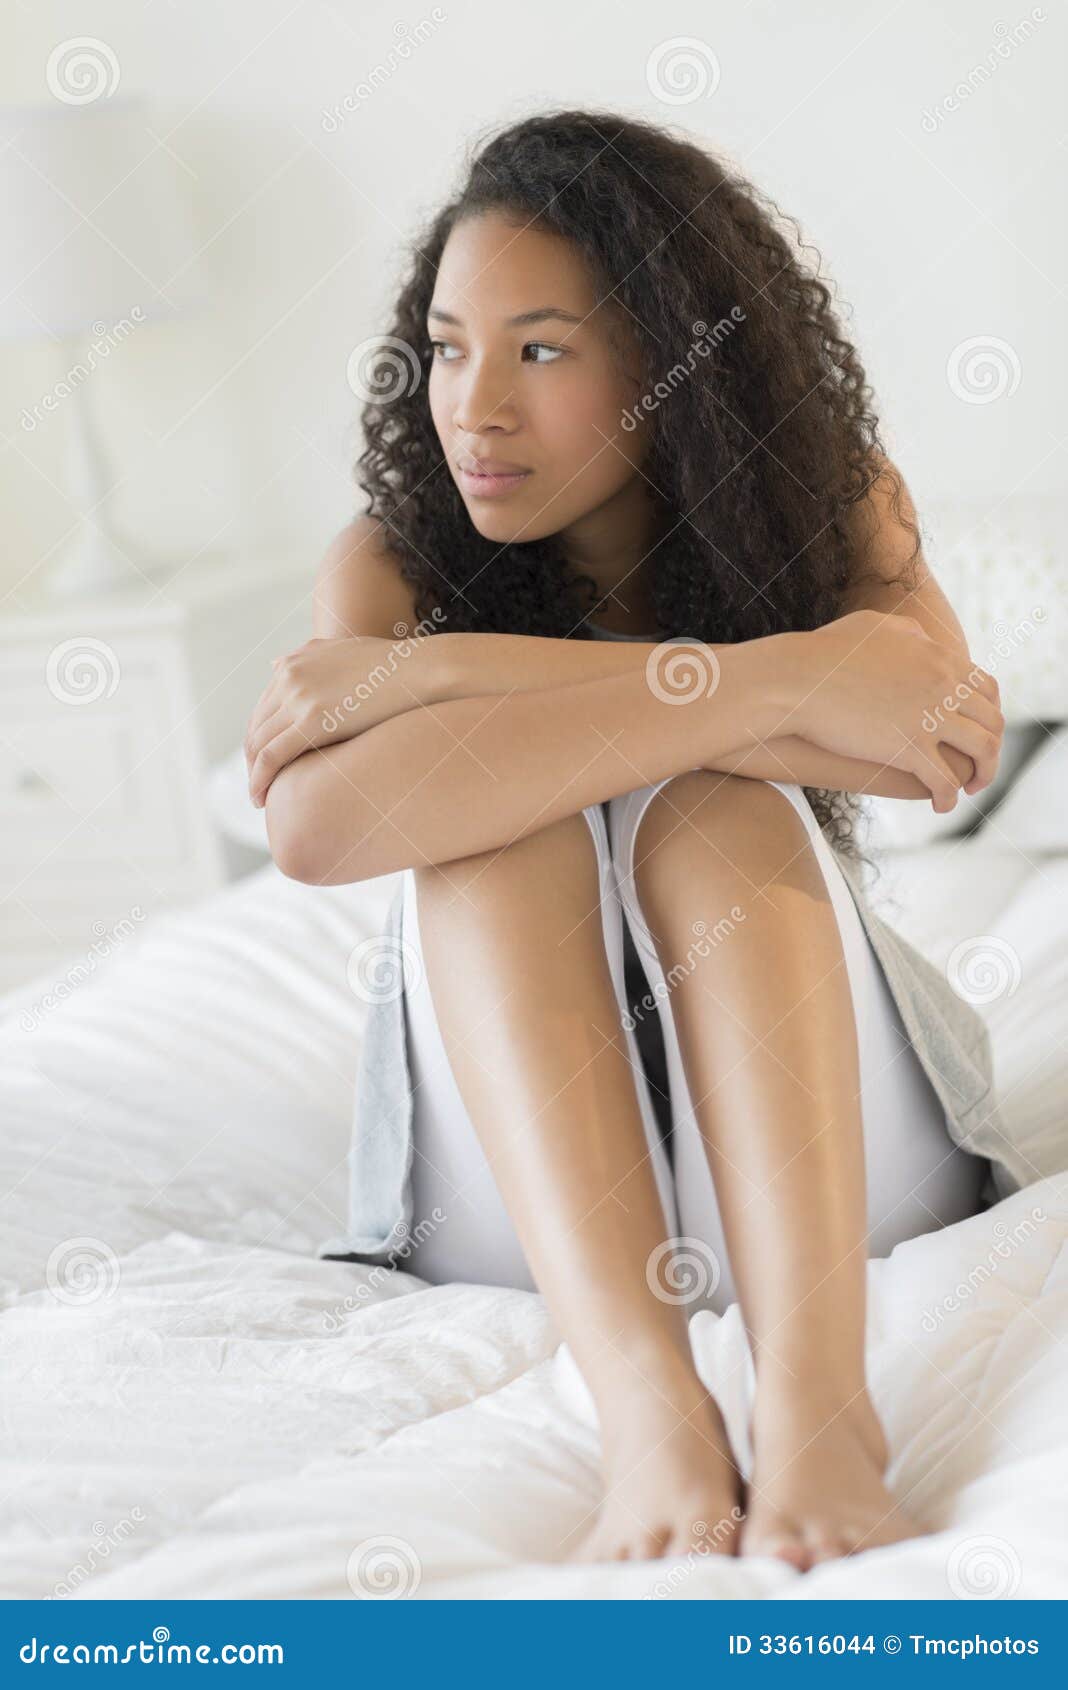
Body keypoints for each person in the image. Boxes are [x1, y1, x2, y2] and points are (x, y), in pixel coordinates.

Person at [244, 110, 1003, 1572]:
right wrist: (787, 681)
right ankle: (652, 1414)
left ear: (671, 362)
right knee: (492, 825)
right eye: (448, 347)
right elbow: (322, 826)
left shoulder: (832, 512)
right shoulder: (392, 563)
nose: (475, 406)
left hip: (830, 1172)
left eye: (539, 350)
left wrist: (439, 675)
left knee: (709, 810)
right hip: (512, 1208)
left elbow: (945, 740)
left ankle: (822, 1412)